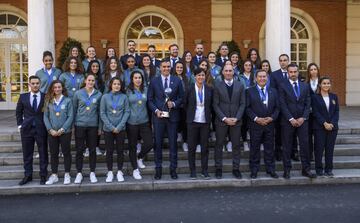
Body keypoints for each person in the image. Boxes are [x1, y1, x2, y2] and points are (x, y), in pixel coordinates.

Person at [147, 60, 184, 180]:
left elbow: (182, 98)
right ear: (160, 68)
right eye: (164, 67)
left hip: (172, 117)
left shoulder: (177, 80)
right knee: (158, 144)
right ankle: (158, 169)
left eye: (168, 66)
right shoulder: (154, 81)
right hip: (159, 117)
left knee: (173, 144)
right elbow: (150, 99)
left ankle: (173, 169)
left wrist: (173, 103)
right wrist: (156, 110)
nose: (166, 68)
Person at [279, 63, 316, 179]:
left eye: (295, 72)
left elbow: (308, 103)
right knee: (287, 146)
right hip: (287, 121)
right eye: (291, 72)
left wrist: (303, 117)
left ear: (298, 72)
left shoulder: (304, 86)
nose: (293, 74)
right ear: (288, 73)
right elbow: (282, 104)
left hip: (302, 122)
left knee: (305, 146)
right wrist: (291, 118)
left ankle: (306, 169)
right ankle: (287, 170)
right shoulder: (282, 86)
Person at [213, 64, 246, 179]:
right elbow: (215, 105)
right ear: (222, 72)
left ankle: (236, 168)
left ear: (233, 72)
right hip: (221, 121)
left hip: (236, 121)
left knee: (236, 145)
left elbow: (242, 104)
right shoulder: (217, 86)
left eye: (230, 71)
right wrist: (224, 118)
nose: (228, 72)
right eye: (226, 70)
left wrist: (237, 118)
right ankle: (218, 168)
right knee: (219, 145)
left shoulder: (240, 85)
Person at [246, 70, 279, 179]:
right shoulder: (249, 91)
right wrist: (256, 119)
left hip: (269, 124)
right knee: (254, 148)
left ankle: (271, 169)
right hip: (255, 125)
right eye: (260, 77)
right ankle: (254, 170)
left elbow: (277, 108)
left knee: (269, 148)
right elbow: (247, 108)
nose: (262, 78)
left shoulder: (273, 91)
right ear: (255, 79)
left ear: (267, 78)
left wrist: (271, 118)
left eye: (264, 76)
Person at [16, 76, 48, 185]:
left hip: (41, 129)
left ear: (40, 84)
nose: (35, 85)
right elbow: (18, 112)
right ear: (29, 84)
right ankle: (28, 175)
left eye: (37, 83)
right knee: (27, 154)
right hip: (26, 129)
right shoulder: (23, 97)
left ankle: (43, 176)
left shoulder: (45, 97)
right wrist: (20, 125)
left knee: (43, 153)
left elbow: (48, 112)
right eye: (33, 83)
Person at [100, 77, 133, 182]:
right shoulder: (105, 97)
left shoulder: (124, 97)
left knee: (120, 150)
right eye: (114, 84)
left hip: (120, 128)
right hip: (108, 129)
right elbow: (102, 113)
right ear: (111, 85)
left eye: (118, 84)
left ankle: (119, 171)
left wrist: (119, 126)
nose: (117, 86)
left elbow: (127, 112)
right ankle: (109, 172)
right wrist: (110, 127)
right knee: (109, 151)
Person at [73, 74, 103, 184]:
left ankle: (92, 172)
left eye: (93, 80)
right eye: (89, 80)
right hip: (80, 125)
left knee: (92, 150)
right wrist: (73, 126)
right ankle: (79, 173)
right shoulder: (78, 93)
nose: (91, 82)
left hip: (93, 126)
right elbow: (74, 110)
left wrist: (100, 127)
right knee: (79, 150)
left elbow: (100, 112)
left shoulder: (99, 94)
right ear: (85, 81)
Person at [43, 80, 74, 185]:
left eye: (59, 87)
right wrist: (50, 129)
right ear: (52, 88)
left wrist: (62, 129)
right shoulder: (48, 101)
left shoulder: (68, 101)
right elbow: (45, 117)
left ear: (62, 88)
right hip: (52, 133)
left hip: (65, 132)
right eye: (55, 87)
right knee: (53, 153)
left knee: (66, 153)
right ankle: (54, 175)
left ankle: (67, 174)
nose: (57, 89)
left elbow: (70, 116)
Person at [185, 68, 213, 179]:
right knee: (191, 147)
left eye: (202, 75)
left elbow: (211, 105)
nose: (201, 77)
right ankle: (193, 171)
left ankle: (204, 170)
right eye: (198, 75)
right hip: (192, 122)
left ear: (205, 76)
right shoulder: (189, 89)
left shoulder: (210, 89)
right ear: (195, 76)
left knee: (205, 148)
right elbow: (185, 104)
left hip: (205, 122)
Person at [271, 54, 299, 162]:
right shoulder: (274, 75)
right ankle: (279, 152)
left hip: (292, 108)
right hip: (279, 108)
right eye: (281, 60)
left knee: (294, 132)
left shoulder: (293, 73)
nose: (283, 62)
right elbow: (273, 91)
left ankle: (294, 152)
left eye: (285, 60)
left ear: (288, 61)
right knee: (279, 132)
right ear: (279, 62)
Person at [126, 70, 153, 171]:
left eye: (139, 78)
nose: (138, 80)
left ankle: (140, 157)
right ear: (132, 80)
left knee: (149, 143)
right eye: (135, 78)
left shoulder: (146, 89)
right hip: (131, 122)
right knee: (132, 146)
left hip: (144, 121)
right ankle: (135, 168)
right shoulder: (128, 91)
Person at [312, 76, 339, 177]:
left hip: (332, 127)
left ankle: (329, 169)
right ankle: (319, 169)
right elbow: (315, 112)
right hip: (319, 127)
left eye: (328, 83)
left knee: (329, 149)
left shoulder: (334, 96)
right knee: (319, 149)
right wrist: (324, 123)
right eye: (324, 83)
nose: (326, 85)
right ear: (320, 85)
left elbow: (336, 111)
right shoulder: (315, 97)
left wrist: (332, 123)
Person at [172, 61, 190, 152]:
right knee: (175, 124)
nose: (179, 69)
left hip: (184, 105)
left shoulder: (186, 78)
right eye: (178, 67)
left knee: (185, 124)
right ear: (174, 68)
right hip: (174, 105)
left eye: (181, 68)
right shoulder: (171, 78)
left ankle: (185, 142)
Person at [239, 59, 255, 152]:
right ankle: (245, 142)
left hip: (253, 103)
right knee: (244, 124)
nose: (248, 67)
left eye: (249, 65)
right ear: (243, 66)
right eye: (246, 65)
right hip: (243, 102)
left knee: (253, 123)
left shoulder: (255, 76)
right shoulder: (239, 77)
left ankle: (254, 142)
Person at [307, 63, 320, 161]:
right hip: (309, 113)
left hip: (319, 113)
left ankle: (318, 154)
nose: (313, 71)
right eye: (311, 69)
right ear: (309, 72)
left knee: (318, 136)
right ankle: (310, 154)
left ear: (318, 70)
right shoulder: (306, 83)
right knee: (308, 135)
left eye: (315, 69)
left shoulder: (322, 82)